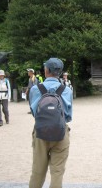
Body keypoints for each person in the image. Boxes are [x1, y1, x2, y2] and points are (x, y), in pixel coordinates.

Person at [28, 58, 73, 188]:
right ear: (60, 72)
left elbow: (34, 112)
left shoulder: (36, 89)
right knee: (57, 172)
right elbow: (69, 116)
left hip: (40, 132)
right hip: (60, 132)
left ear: (46, 70)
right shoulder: (66, 90)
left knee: (37, 171)